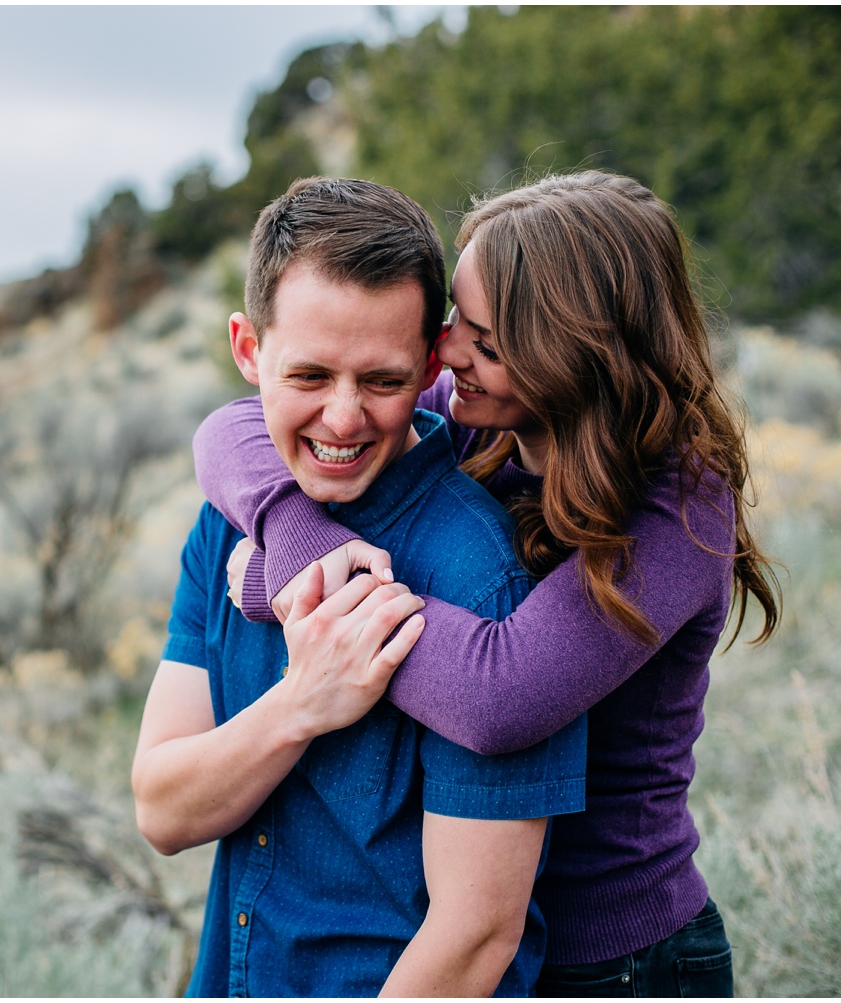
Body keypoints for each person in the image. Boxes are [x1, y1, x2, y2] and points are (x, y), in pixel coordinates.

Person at [192, 170, 780, 997]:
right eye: (456, 321)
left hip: (617, 958)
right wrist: (297, 537)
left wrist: (310, 597)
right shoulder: (481, 408)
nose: (449, 352)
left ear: (578, 360)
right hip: (499, 940)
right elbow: (230, 427)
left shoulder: (678, 499)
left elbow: (500, 695)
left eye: (490, 342)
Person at [131, 176, 586, 997]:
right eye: (310, 376)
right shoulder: (230, 524)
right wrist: (300, 705)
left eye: (381, 381)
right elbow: (164, 808)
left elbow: (478, 935)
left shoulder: (485, 576)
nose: (343, 420)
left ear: (428, 365)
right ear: (247, 349)